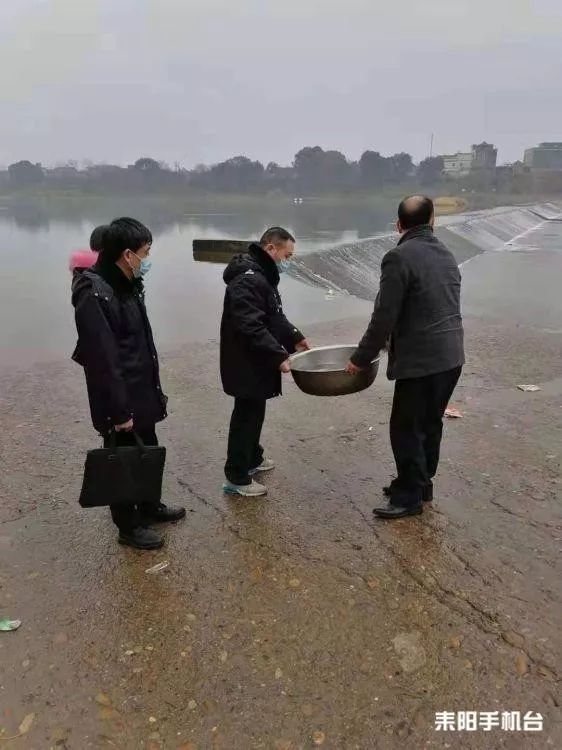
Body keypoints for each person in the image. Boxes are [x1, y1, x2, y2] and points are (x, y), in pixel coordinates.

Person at [346, 196, 464, 519]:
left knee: (405, 427)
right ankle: (422, 484)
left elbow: (384, 315)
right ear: (433, 221)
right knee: (429, 422)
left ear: (398, 225)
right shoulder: (447, 254)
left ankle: (408, 497)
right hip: (452, 357)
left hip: (422, 361)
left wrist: (361, 357)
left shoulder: (398, 258)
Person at [71, 217, 185, 549]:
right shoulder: (93, 292)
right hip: (118, 396)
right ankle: (128, 527)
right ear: (127, 253)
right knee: (121, 459)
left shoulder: (127, 283)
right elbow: (103, 358)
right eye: (145, 251)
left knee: (146, 448)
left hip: (140, 388)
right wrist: (119, 411)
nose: (148, 259)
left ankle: (149, 506)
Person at [220, 227, 310, 496]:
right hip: (245, 360)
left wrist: (295, 338)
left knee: (255, 411)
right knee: (246, 415)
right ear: (271, 249)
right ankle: (236, 476)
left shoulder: (261, 276)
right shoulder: (248, 279)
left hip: (255, 360)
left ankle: (253, 457)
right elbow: (251, 326)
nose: (287, 261)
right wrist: (278, 355)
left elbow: (273, 317)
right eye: (286, 255)